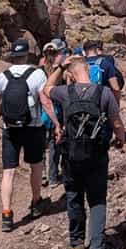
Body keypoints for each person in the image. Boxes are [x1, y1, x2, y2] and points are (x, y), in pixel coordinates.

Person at [44, 55, 125, 249]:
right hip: (97, 156)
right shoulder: (104, 93)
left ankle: (77, 241)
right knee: (97, 201)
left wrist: (60, 67)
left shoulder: (65, 92)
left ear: (71, 74)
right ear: (89, 72)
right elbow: (116, 122)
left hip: (71, 155)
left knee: (73, 194)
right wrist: (121, 138)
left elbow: (47, 87)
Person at [0, 38, 61, 232]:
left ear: (12, 55)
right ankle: (36, 202)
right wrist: (56, 123)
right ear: (27, 54)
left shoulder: (2, 76)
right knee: (36, 165)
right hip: (33, 127)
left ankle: (6, 214)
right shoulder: (37, 74)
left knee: (9, 171)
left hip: (10, 128)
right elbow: (45, 103)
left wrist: (4, 115)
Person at [39, 38, 69, 188]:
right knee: (54, 145)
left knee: (42, 144)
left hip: (41, 111)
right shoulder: (60, 70)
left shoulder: (39, 69)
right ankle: (52, 177)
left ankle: (42, 175)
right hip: (56, 111)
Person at [83, 38, 124, 105]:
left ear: (84, 51)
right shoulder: (106, 63)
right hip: (102, 100)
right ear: (96, 49)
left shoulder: (80, 64)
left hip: (83, 101)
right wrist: (116, 104)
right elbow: (115, 88)